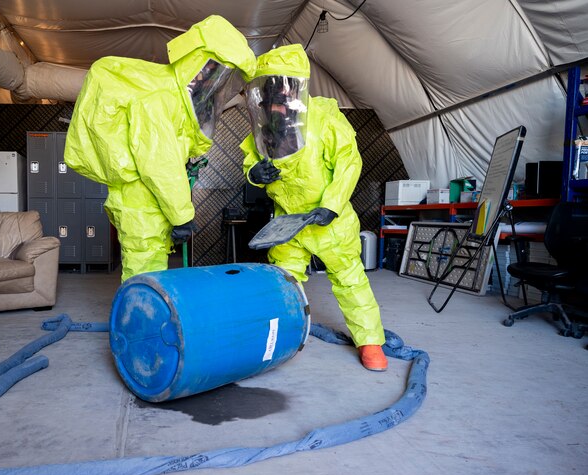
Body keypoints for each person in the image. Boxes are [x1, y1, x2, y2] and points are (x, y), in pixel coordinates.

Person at [64, 15, 256, 281]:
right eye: (214, 69)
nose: (215, 81)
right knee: (143, 273)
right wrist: (182, 216)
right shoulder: (160, 98)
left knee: (151, 270)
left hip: (149, 202)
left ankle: (147, 307)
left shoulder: (173, 99)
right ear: (196, 61)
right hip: (141, 201)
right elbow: (158, 163)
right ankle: (139, 310)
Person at [241, 44, 387, 371]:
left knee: (349, 279)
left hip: (328, 220)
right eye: (268, 94)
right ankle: (279, 336)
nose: (275, 102)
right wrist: (254, 174)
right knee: (283, 281)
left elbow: (349, 163)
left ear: (295, 88)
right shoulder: (262, 127)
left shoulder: (324, 119)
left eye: (280, 92)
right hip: (289, 222)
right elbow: (250, 162)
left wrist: (331, 206)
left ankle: (370, 342)